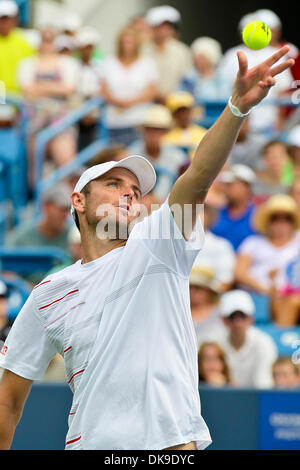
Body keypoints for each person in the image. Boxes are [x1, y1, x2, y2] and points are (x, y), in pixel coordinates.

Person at [0, 43, 293, 450]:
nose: (128, 195)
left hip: (171, 450)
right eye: (113, 184)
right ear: (78, 200)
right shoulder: (47, 295)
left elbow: (198, 179)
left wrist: (236, 109)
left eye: (135, 191)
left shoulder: (161, 244)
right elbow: (9, 400)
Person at [17, 27, 79, 187]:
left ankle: (65, 208)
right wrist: (56, 87)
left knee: (65, 165)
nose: (46, 43)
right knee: (35, 174)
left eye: (50, 39)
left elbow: (69, 88)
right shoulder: (27, 64)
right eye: (44, 39)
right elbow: (27, 90)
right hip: (35, 123)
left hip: (60, 122)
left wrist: (40, 87)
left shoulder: (67, 63)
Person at [100, 25, 158, 147]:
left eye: (130, 41)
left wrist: (129, 102)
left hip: (139, 120)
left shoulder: (147, 63)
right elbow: (103, 90)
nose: (127, 45)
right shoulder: (109, 62)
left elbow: (152, 91)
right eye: (124, 41)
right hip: (113, 121)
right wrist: (119, 102)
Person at [235, 194, 300, 295]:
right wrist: (265, 289)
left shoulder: (297, 243)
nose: (281, 223)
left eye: (287, 218)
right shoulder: (253, 242)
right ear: (268, 221)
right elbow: (239, 273)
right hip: (255, 295)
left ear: (293, 222)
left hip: (291, 297)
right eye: (275, 218)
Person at [9, 183, 72, 284]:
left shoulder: (74, 236)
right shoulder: (22, 236)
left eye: (68, 209)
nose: (65, 215)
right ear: (46, 206)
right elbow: (7, 271)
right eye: (61, 209)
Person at [217, 290, 278, 388]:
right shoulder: (215, 342)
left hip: (255, 400)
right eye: (232, 317)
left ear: (251, 319)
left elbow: (263, 384)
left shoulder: (264, 343)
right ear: (224, 320)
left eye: (243, 316)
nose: (238, 323)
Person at [129, 104, 187, 202]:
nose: (154, 133)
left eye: (159, 129)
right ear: (144, 130)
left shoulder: (177, 156)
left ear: (165, 132)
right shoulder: (131, 154)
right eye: (150, 129)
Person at [143, 5, 192, 100]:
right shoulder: (142, 51)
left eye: (168, 27)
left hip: (177, 103)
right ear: (152, 29)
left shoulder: (182, 51)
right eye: (160, 27)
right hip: (147, 103)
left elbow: (188, 79)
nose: (164, 31)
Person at [210, 164, 257, 251]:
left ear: (247, 187)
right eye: (226, 185)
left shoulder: (258, 216)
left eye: (231, 184)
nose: (227, 189)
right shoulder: (215, 213)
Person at [193, 203, 235, 291]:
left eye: (199, 212)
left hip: (209, 294)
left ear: (208, 217)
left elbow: (226, 281)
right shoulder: (172, 244)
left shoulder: (222, 245)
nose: (194, 216)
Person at [0, 0, 35, 96]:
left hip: (20, 97)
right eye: (2, 18)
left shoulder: (25, 41)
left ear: (15, 19)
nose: (5, 22)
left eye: (7, 18)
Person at [180, 36, 231, 102]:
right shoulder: (188, 78)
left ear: (211, 58)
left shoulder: (222, 77)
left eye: (201, 57)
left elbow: (227, 99)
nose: (197, 60)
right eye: (195, 56)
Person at [190, 266, 227, 349]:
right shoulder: (178, 313)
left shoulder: (222, 312)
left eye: (198, 288)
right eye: (189, 287)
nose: (192, 291)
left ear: (209, 290)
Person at [163, 91, 206, 159]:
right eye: (179, 112)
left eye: (186, 111)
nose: (183, 115)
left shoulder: (203, 134)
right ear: (173, 115)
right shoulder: (166, 139)